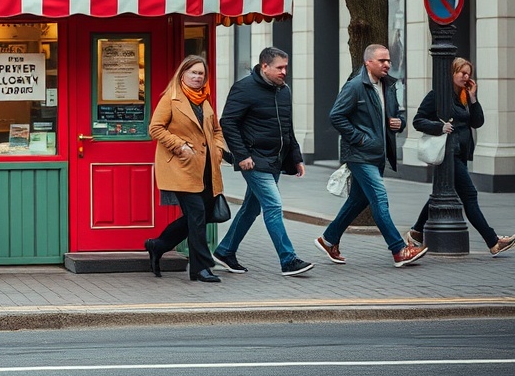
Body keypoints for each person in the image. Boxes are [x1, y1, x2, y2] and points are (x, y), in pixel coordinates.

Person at [316, 44, 429, 267]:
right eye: (382, 61)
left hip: (378, 154)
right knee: (379, 198)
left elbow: (395, 114)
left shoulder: (389, 85)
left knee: (358, 201)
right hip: (359, 154)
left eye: (388, 60)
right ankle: (399, 249)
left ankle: (328, 239)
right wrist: (359, 138)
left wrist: (399, 123)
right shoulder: (355, 86)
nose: (387, 64)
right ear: (368, 62)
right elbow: (336, 116)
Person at [212, 47, 313, 277]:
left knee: (251, 209)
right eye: (279, 67)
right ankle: (288, 260)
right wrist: (242, 155)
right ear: (264, 66)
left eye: (286, 67)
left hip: (275, 160)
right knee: (273, 206)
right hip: (254, 161)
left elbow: (287, 127)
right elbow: (228, 123)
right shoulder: (244, 88)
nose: (284, 72)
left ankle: (225, 251)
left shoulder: (284, 90)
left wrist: (296, 157)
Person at [407, 58, 513, 256]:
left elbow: (477, 122)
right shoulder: (438, 95)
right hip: (449, 154)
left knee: (442, 194)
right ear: (452, 73)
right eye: (462, 73)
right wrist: (440, 127)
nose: (466, 77)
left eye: (468, 74)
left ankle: (416, 231)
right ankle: (493, 241)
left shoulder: (464, 97)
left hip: (461, 153)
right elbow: (418, 120)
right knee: (469, 195)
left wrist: (473, 98)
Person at [144, 55, 227, 283]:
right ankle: (201, 268)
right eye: (194, 73)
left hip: (206, 169)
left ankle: (158, 245)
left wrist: (218, 150)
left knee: (199, 216)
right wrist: (179, 145)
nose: (198, 77)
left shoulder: (205, 100)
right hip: (181, 167)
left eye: (201, 74)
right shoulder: (171, 99)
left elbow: (216, 130)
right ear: (183, 74)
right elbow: (155, 128)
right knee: (197, 215)